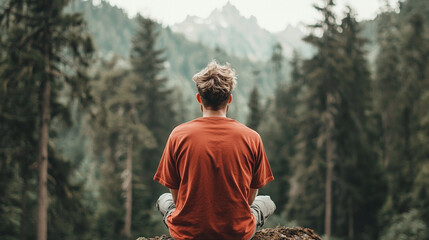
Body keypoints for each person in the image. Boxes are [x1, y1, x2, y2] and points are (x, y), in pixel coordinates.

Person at [154, 60, 275, 240]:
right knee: (266, 202)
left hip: (188, 233)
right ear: (230, 99)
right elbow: (248, 200)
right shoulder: (252, 138)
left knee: (164, 200)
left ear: (199, 98)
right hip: (236, 232)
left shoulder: (178, 135)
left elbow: (178, 198)